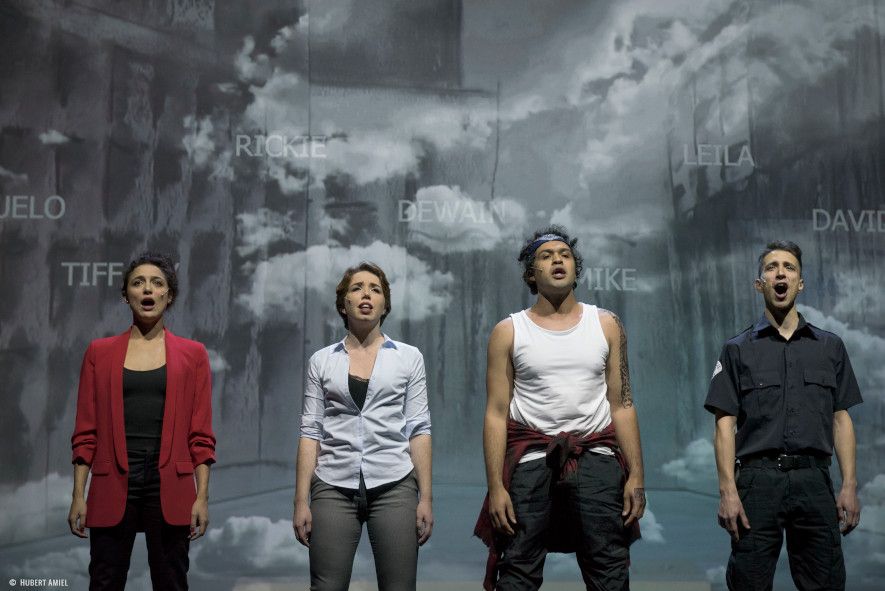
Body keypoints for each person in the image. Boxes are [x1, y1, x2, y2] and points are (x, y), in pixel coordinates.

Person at [476, 226, 645, 591]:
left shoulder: (606, 324)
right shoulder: (509, 330)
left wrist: (636, 476)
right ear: (531, 273)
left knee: (609, 572)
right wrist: (496, 486)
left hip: (597, 458)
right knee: (517, 570)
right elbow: (495, 413)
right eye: (546, 256)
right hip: (530, 464)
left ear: (575, 268)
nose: (557, 260)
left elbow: (623, 404)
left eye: (565, 255)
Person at [705, 240, 862, 591]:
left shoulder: (830, 347)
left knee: (825, 582)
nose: (780, 273)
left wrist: (849, 485)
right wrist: (727, 490)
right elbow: (724, 425)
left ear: (800, 282)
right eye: (772, 267)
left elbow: (841, 419)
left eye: (789, 267)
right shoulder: (737, 349)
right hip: (758, 483)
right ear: (760, 283)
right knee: (749, 581)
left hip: (813, 481)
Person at [68, 252, 216, 590]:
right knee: (104, 581)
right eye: (138, 283)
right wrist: (79, 494)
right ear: (126, 295)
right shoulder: (99, 352)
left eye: (157, 283)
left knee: (171, 581)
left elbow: (201, 436)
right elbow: (85, 433)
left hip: (169, 483)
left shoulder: (193, 355)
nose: (147, 289)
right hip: (112, 479)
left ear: (169, 295)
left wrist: (202, 496)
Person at [293, 261, 433, 591]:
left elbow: (418, 427)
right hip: (332, 485)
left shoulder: (408, 357)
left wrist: (426, 496)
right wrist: (301, 500)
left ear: (385, 304)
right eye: (357, 288)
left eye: (375, 289)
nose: (366, 293)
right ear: (344, 304)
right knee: (326, 586)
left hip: (395, 483)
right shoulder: (322, 360)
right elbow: (311, 430)